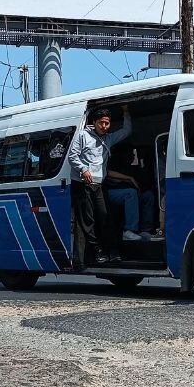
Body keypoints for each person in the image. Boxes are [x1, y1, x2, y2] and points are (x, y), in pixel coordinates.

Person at [67, 105, 131, 266]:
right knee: (87, 221)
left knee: (105, 217)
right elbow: (72, 156)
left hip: (98, 185)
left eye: (107, 123)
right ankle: (97, 251)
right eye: (101, 122)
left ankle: (112, 251)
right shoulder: (83, 135)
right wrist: (83, 169)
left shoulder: (109, 138)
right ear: (94, 123)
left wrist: (125, 111)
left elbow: (126, 131)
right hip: (82, 184)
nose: (104, 126)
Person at [105, 142, 160, 242]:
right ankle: (129, 230)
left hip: (132, 193)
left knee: (148, 195)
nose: (133, 156)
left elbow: (143, 182)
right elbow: (107, 173)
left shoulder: (133, 168)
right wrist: (129, 178)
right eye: (130, 153)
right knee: (131, 193)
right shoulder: (114, 163)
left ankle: (146, 230)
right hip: (112, 192)